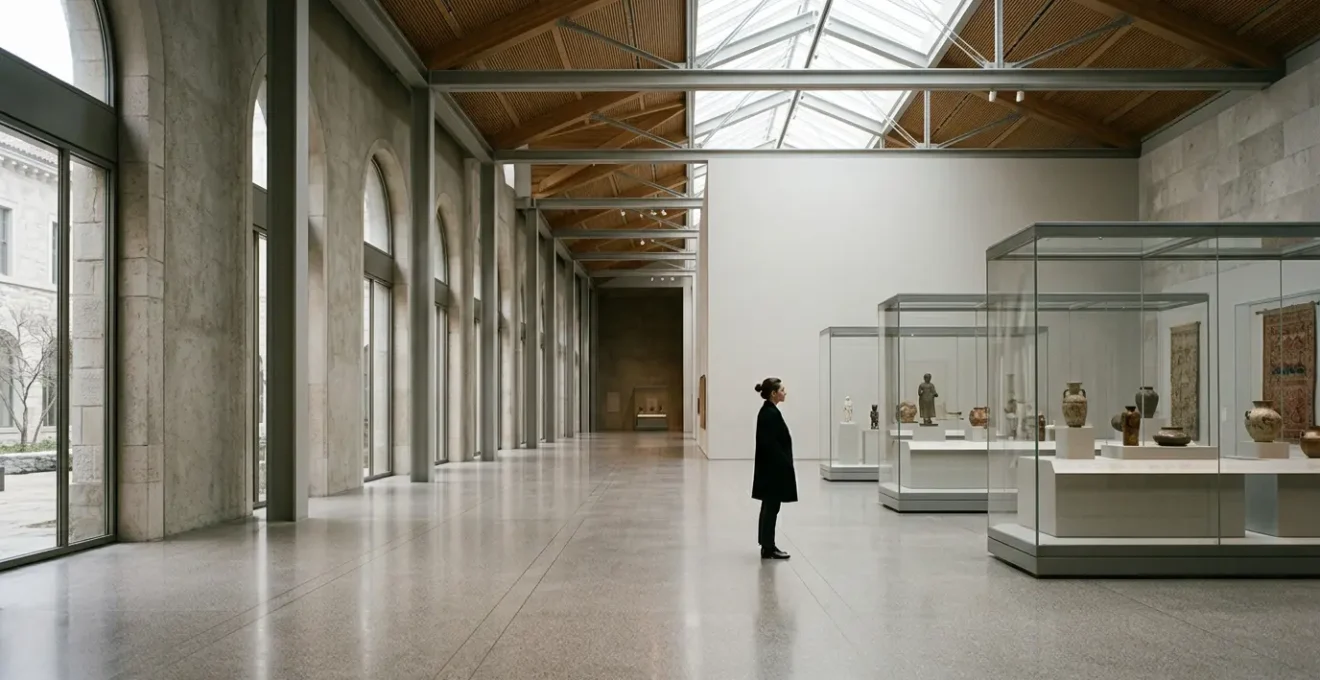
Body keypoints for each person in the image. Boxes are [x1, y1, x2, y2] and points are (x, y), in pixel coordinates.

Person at [752, 377, 797, 559]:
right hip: (773, 469)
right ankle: (768, 547)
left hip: (771, 468)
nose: (785, 393)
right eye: (782, 390)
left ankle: (766, 544)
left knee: (769, 507)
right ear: (773, 393)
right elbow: (771, 444)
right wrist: (784, 464)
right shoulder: (769, 414)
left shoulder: (768, 412)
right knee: (771, 508)